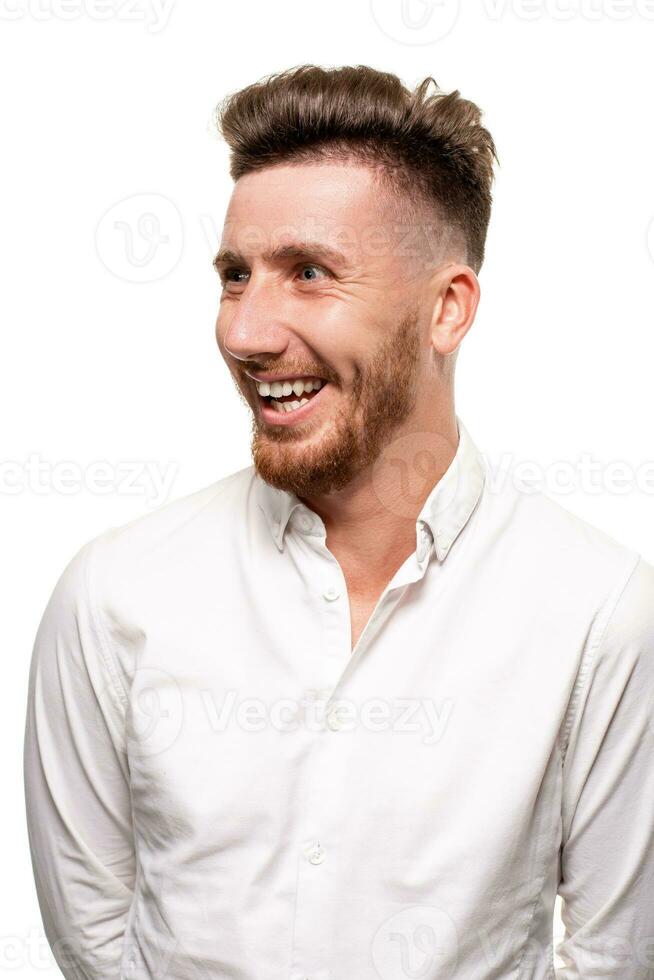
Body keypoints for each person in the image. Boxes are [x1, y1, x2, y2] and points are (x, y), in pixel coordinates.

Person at [24, 64, 654, 980]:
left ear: (448, 309)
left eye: (308, 273)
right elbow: (93, 936)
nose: (245, 331)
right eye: (235, 275)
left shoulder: (600, 611)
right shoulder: (114, 592)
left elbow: (613, 953)